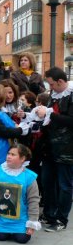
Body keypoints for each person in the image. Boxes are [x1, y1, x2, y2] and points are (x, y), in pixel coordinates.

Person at [36, 68, 73, 232]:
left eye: (51, 84)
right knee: (47, 181)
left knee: (65, 185)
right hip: (50, 147)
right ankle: (50, 214)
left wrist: (50, 114)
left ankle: (61, 218)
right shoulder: (54, 95)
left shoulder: (71, 95)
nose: (50, 88)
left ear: (60, 82)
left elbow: (71, 121)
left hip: (67, 149)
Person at [0, 144, 41, 243]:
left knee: (22, 239)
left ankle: (18, 230)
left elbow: (33, 200)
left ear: (22, 158)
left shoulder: (29, 177)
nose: (9, 156)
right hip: (1, 220)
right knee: (0, 237)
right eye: (8, 153)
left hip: (20, 220)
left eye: (13, 155)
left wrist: (32, 222)